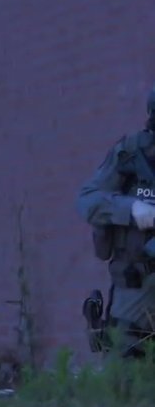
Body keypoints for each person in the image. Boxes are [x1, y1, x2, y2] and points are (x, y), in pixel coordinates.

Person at [76, 84, 155, 356]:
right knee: (125, 366)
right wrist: (131, 208)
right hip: (137, 283)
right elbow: (88, 200)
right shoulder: (132, 152)